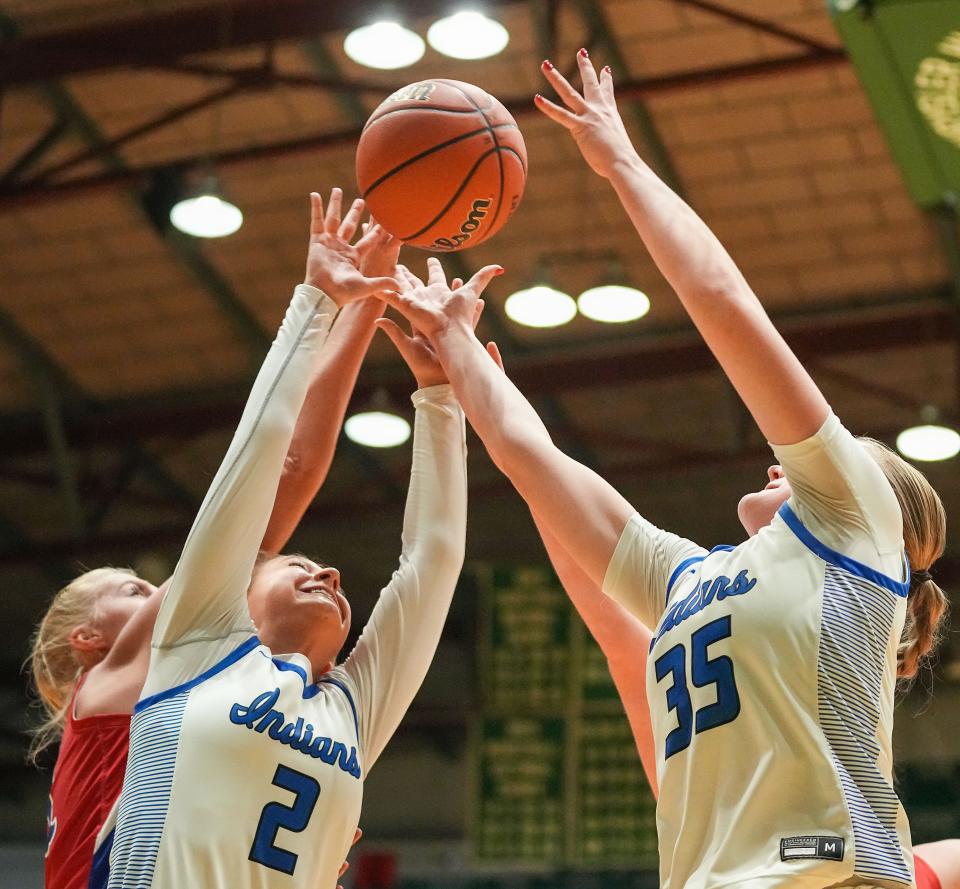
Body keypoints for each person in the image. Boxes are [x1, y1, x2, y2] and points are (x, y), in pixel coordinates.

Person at [376, 53, 950, 889]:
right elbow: (539, 466)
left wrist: (621, 161)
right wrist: (460, 350)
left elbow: (723, 303)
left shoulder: (853, 520)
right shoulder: (686, 579)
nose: (785, 456)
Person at [96, 188, 495, 889]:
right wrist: (312, 304)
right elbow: (256, 461)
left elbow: (433, 562)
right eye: (300, 563)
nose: (333, 574)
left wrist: (441, 397)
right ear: (234, 591)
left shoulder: (351, 708)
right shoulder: (199, 640)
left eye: (318, 564)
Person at [31, 192, 399, 889]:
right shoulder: (112, 685)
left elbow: (286, 475)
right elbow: (284, 478)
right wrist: (358, 309)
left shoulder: (196, 708)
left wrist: (360, 308)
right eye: (135, 590)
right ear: (87, 640)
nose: (155, 593)